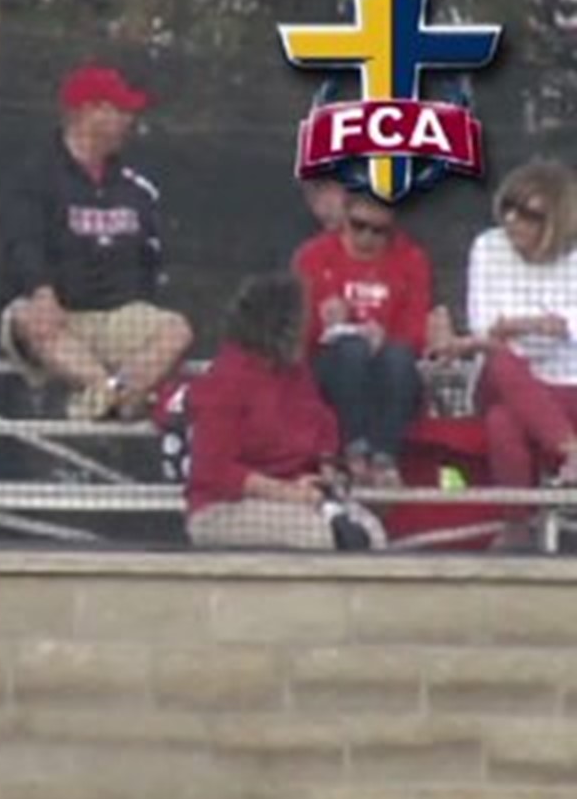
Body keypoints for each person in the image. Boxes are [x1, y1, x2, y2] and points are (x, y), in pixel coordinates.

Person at [0, 63, 195, 422]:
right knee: (27, 316)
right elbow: (21, 243)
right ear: (88, 112)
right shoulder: (36, 175)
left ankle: (107, 397)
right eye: (120, 110)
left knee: (176, 329)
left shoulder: (135, 186)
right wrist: (42, 292)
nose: (129, 120)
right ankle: (110, 392)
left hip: (118, 317)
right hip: (59, 315)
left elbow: (150, 263)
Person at [186, 272, 386, 550]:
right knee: (317, 537)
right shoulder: (227, 379)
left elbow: (320, 428)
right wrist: (286, 492)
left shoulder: (295, 374)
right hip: (225, 507)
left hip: (296, 495)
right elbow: (216, 470)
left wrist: (326, 468)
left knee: (371, 533)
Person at [435, 158, 577, 547]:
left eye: (530, 214)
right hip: (509, 375)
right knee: (503, 364)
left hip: (568, 385)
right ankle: (570, 450)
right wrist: (546, 326)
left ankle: (516, 526)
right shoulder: (489, 247)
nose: (514, 219)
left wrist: (532, 325)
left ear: (556, 221)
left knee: (503, 422)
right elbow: (488, 329)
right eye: (509, 207)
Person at [291, 190, 434, 486]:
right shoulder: (313, 257)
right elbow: (296, 332)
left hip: (388, 370)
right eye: (359, 226)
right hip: (330, 366)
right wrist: (321, 321)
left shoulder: (411, 259)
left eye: (379, 231)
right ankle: (353, 450)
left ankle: (383, 456)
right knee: (351, 351)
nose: (367, 237)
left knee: (398, 357)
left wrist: (385, 337)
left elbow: (416, 332)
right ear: (344, 217)